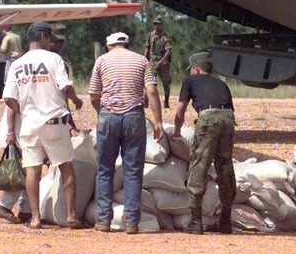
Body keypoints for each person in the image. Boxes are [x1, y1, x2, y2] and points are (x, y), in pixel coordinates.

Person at [3, 21, 85, 229]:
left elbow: (9, 99)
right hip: (54, 122)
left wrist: (25, 111)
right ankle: (72, 215)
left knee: (33, 170)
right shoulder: (53, 59)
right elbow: (65, 87)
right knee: (66, 166)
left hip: (29, 124)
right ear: (43, 38)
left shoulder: (17, 64)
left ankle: (36, 218)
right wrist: (76, 100)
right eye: (49, 38)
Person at [89, 31, 163, 234]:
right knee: (133, 171)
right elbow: (152, 91)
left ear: (109, 45)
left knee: (105, 169)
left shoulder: (102, 61)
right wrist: (158, 121)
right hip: (134, 116)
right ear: (127, 45)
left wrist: (102, 114)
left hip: (108, 116)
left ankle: (103, 220)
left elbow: (94, 95)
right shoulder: (142, 61)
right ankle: (131, 222)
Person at [173, 52, 236, 235]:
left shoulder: (190, 81)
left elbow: (180, 111)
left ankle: (196, 221)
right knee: (225, 168)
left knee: (199, 166)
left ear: (197, 69)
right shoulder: (222, 84)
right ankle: (226, 220)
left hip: (208, 119)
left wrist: (177, 132)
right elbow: (230, 110)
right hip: (228, 119)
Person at [144, 17, 173, 108]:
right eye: (155, 24)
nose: (156, 26)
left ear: (162, 25)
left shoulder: (165, 37)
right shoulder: (151, 35)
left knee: (166, 83)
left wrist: (162, 60)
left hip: (163, 63)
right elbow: (147, 47)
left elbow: (168, 50)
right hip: (152, 62)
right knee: (149, 81)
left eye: (158, 24)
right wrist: (144, 58)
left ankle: (166, 101)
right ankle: (145, 101)